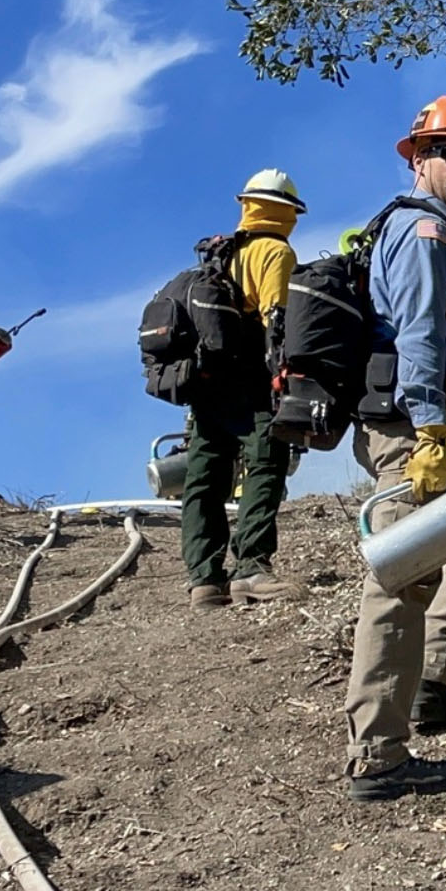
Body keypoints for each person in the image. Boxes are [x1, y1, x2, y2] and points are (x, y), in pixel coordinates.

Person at [342, 96, 446, 801]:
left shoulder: (432, 228)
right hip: (412, 423)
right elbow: (415, 329)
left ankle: (431, 685)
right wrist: (430, 428)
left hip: (425, 415)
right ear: (417, 156)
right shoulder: (424, 234)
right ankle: (378, 758)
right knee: (402, 576)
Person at [182, 169, 311, 609]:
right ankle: (251, 569)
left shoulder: (219, 254)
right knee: (265, 465)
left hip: (208, 381)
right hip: (252, 380)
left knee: (205, 477)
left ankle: (205, 578)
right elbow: (279, 322)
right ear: (288, 211)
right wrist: (289, 382)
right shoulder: (275, 252)